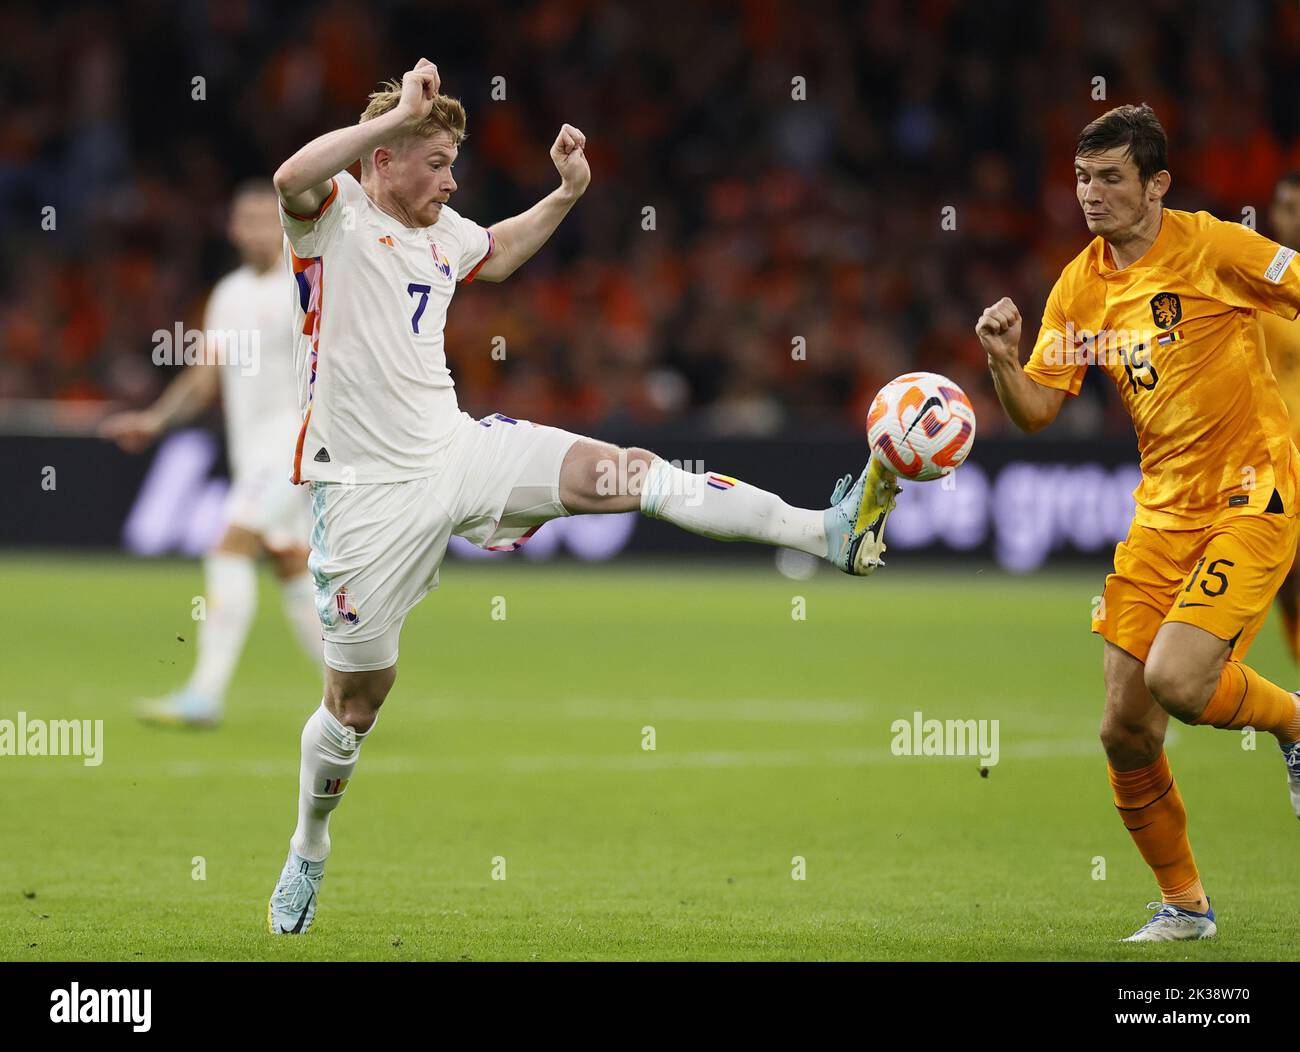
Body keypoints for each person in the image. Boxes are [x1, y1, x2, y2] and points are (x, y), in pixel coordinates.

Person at [266, 59, 900, 934]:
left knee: (633, 472)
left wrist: (564, 195)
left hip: (458, 452)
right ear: (385, 158)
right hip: (364, 493)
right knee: (356, 703)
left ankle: (827, 532)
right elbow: (288, 178)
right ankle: (310, 843)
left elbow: (501, 248)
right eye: (438, 160)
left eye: (454, 162)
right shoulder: (332, 213)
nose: (452, 180)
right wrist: (391, 119)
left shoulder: (441, 230)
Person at [977, 103, 1300, 942]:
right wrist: (1004, 363)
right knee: (1124, 727)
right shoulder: (1080, 285)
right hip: (1162, 512)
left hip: (1252, 492)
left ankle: (1294, 723)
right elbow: (1039, 410)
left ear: (1156, 183)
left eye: (1110, 178)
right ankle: (1185, 907)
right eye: (1082, 178)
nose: (1091, 194)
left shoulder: (1215, 246)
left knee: (1178, 680)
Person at [102, 181, 320, 728]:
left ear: (283, 220)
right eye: (241, 219)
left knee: (229, 548)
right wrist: (153, 421)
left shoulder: (307, 283)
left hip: (296, 445)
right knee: (291, 565)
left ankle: (204, 694)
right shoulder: (228, 294)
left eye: (262, 218)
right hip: (257, 455)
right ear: (231, 229)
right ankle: (352, 691)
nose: (251, 228)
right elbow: (204, 380)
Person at [1260, 172, 1300, 664]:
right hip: (1273, 466)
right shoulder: (1257, 282)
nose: (1291, 217)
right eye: (1286, 206)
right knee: (1287, 589)